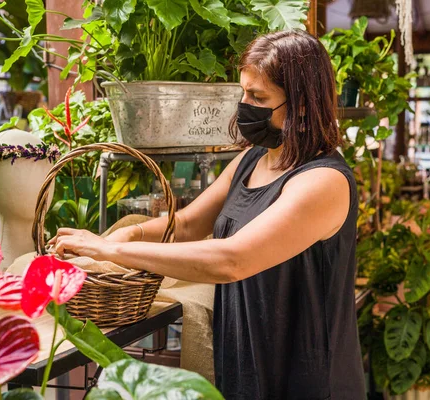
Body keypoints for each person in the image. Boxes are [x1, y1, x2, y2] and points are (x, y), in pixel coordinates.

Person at [51, 29, 365, 400]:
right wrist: (128, 235)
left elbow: (232, 259)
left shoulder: (323, 181)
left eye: (258, 97)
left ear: (299, 104)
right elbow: (186, 224)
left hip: (306, 380)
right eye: (243, 92)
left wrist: (110, 252)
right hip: (247, 367)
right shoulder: (251, 160)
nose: (244, 105)